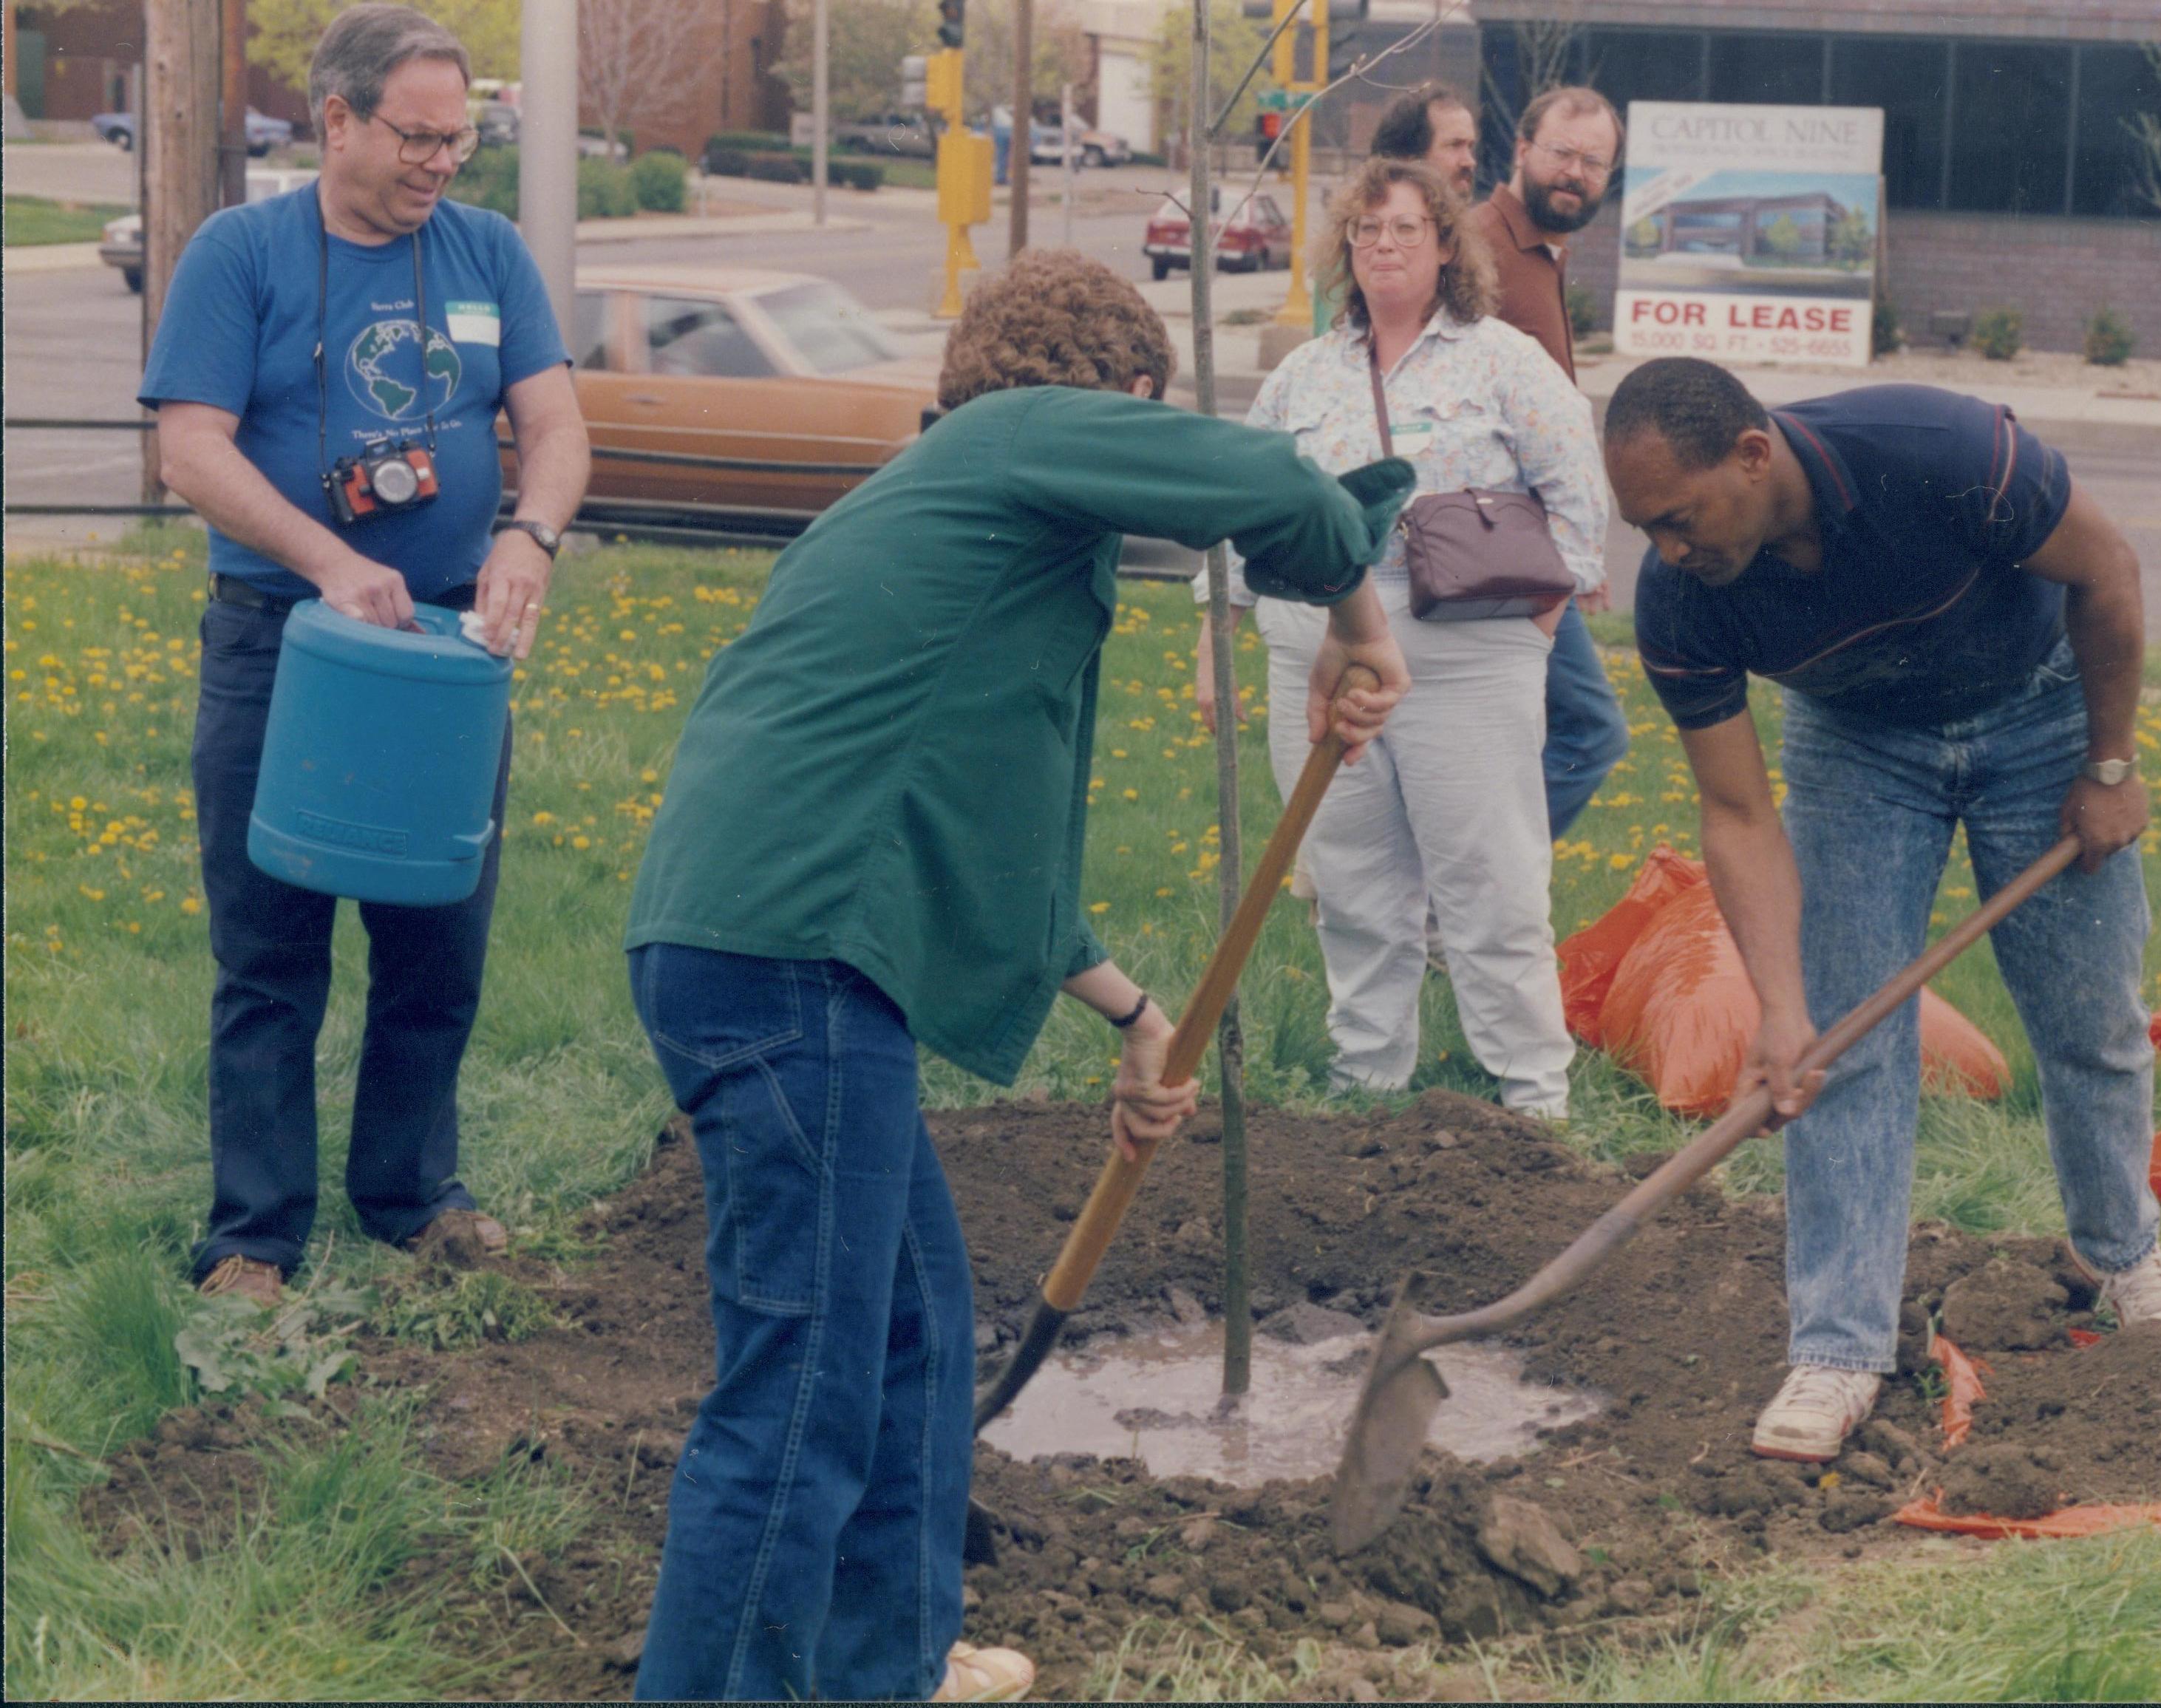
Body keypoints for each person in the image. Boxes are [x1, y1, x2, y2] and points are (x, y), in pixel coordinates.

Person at [619, 248, 1412, 1704]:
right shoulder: (1018, 434)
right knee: (799, 1385)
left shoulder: (961, 527)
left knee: (912, 1337)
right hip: (786, 964)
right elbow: (1272, 484)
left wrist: (1132, 1015)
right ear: (1114, 396)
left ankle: (882, 1666)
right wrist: (1360, 628)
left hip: (771, 950)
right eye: (1138, 418)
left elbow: (983, 826)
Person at [1602, 358, 2161, 1464]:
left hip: (2034, 713)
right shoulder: (1681, 599)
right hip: (1856, 746)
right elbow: (1734, 813)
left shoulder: (1938, 449)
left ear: (1750, 453)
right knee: (1843, 1039)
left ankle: (2119, 1258)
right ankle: (1836, 1347)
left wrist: (2108, 765)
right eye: (1645, 528)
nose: (1666, 549)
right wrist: (1779, 1009)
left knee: (2090, 1022)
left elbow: (2104, 567)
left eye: (1676, 518)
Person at [142, 2, 589, 1307]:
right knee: (271, 946)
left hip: (447, 639)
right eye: (416, 138)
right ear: (334, 119)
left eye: (461, 139)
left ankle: (411, 1194)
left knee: (436, 941)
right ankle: (253, 1236)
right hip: (279, 640)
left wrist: (532, 536)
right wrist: (328, 563)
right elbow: (191, 447)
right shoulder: (242, 253)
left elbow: (555, 426)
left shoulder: (490, 252)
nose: (441, 163)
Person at [1200, 160, 1607, 1120]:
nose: (1383, 244)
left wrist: (1534, 630)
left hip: (1461, 641)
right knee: (1351, 873)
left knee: (1488, 875)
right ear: (1345, 247)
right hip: (1316, 642)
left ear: (1442, 245)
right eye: (1365, 229)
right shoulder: (1304, 370)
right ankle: (1365, 1075)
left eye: (1404, 228)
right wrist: (1214, 633)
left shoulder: (1500, 358)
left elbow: (1577, 492)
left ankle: (1529, 1091)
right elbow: (1240, 501)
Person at [1469, 85, 1631, 840]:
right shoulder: (1477, 251)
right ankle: (1464, 891)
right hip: (1488, 546)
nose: (1575, 173)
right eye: (1562, 153)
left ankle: (1446, 894)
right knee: (1590, 731)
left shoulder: (1538, 253)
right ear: (1521, 150)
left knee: (1503, 733)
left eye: (1593, 163)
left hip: (1524, 549)